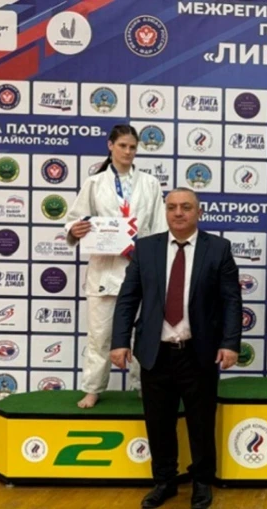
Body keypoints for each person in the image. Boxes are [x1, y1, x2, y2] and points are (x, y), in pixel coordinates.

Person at [111, 188, 242, 509]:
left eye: (186, 207)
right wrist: (119, 341)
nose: (178, 213)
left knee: (201, 423)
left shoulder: (218, 249)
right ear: (165, 212)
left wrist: (229, 343)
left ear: (199, 212)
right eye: (172, 207)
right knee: (158, 423)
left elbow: (231, 301)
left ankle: (202, 483)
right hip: (155, 353)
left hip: (199, 352)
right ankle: (164, 482)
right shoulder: (145, 248)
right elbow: (128, 298)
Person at [65, 124, 167, 408]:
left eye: (133, 147)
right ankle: (93, 388)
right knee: (99, 335)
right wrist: (76, 229)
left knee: (144, 334)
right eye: (122, 145)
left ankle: (144, 386)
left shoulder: (150, 183)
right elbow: (74, 220)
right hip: (105, 270)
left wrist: (151, 257)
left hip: (141, 269)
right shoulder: (94, 183)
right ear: (110, 146)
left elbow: (159, 227)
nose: (128, 151)